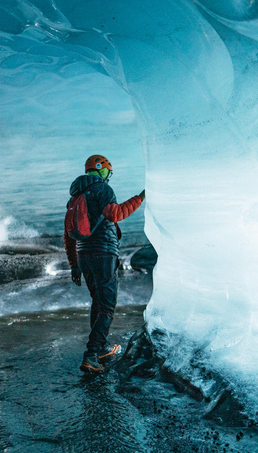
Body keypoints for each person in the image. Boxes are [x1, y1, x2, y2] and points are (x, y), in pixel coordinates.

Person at [64, 155, 145, 374]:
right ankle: (91, 355)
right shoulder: (103, 190)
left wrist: (74, 265)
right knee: (107, 307)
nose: (109, 176)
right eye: (108, 171)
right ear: (100, 170)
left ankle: (100, 349)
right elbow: (115, 214)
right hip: (103, 253)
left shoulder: (75, 196)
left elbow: (68, 235)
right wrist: (140, 198)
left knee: (98, 302)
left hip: (84, 256)